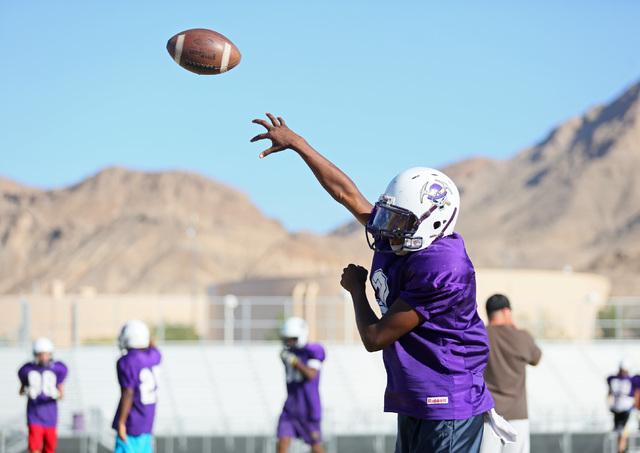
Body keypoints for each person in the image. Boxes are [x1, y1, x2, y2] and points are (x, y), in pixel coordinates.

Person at [252, 113, 513, 453]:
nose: (385, 226)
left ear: (431, 222)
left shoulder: (443, 267)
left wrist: (357, 291)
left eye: (398, 220)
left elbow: (375, 337)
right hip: (418, 394)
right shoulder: (403, 238)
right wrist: (300, 145)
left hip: (449, 398)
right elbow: (347, 194)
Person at [480, 294, 542, 453]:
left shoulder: (480, 335)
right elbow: (536, 360)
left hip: (488, 415)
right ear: (507, 311)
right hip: (518, 415)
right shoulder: (522, 337)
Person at [276, 317, 327, 453]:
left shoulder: (313, 350)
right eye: (286, 339)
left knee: (315, 446)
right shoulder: (289, 352)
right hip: (291, 406)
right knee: (282, 443)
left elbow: (311, 374)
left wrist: (294, 361)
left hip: (308, 407)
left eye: (291, 339)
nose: (288, 342)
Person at [112, 319, 161, 453]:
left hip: (132, 421)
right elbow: (152, 346)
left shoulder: (126, 361)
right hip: (147, 420)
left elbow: (128, 392)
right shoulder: (154, 355)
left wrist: (121, 422)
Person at [17, 337, 68, 453]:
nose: (43, 357)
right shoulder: (27, 370)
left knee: (49, 448)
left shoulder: (57, 369)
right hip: (34, 415)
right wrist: (27, 390)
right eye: (40, 354)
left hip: (51, 416)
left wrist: (56, 393)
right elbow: (21, 391)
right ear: (35, 355)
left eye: (46, 354)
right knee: (35, 447)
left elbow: (62, 394)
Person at [607, 359, 635, 453]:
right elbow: (609, 393)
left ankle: (621, 450)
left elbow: (636, 393)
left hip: (628, 410)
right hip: (617, 410)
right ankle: (620, 450)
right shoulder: (614, 380)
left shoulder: (631, 381)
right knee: (618, 432)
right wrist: (609, 404)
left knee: (624, 432)